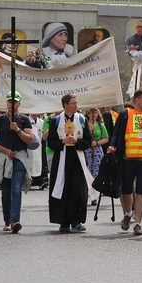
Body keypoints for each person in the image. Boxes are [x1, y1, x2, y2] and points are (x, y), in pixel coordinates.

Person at [108, 89, 142, 235]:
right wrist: (112, 145)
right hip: (128, 158)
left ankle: (138, 223)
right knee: (126, 190)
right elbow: (116, 133)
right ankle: (127, 213)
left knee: (141, 191)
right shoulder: (126, 114)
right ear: (137, 100)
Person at [0, 91, 34, 233]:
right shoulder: (0, 120)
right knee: (5, 191)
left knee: (16, 189)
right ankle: (7, 220)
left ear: (19, 103)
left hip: (19, 157)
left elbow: (30, 139)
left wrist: (18, 130)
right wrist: (5, 151)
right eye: (9, 101)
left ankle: (15, 220)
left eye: (15, 101)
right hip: (5, 157)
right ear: (6, 102)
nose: (12, 104)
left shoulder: (24, 119)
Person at [47, 94, 92, 232]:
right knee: (63, 188)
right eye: (73, 103)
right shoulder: (56, 121)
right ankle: (63, 221)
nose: (76, 106)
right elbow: (50, 142)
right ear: (65, 105)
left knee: (78, 190)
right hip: (62, 160)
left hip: (77, 159)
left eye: (76, 103)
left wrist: (77, 141)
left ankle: (76, 220)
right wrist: (62, 141)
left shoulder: (82, 120)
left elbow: (88, 141)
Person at [84, 108, 109, 206]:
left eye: (95, 113)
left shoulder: (100, 125)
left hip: (97, 151)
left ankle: (94, 196)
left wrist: (97, 143)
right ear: (88, 114)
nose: (94, 115)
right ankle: (87, 194)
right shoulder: (84, 125)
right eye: (91, 113)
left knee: (96, 173)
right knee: (87, 172)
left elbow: (106, 138)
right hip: (87, 150)